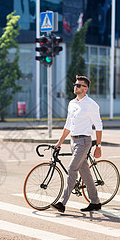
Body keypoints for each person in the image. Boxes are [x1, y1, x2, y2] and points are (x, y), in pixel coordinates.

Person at [50, 75, 103, 213]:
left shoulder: (91, 105)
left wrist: (98, 146)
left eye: (79, 85)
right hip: (73, 141)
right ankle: (95, 202)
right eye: (75, 84)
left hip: (84, 142)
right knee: (84, 172)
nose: (76, 86)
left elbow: (98, 126)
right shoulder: (72, 103)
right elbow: (68, 125)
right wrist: (59, 143)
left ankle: (62, 202)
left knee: (72, 168)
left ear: (85, 89)